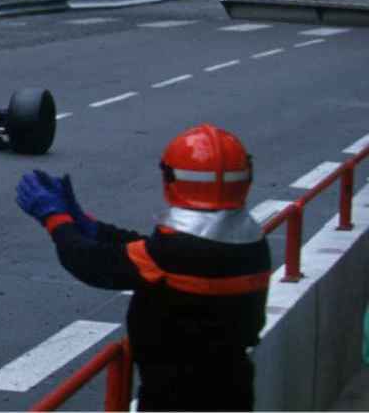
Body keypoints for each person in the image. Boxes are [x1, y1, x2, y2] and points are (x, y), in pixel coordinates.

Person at [16, 125, 270, 411]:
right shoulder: (249, 240)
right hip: (231, 391)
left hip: (176, 399)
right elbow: (145, 252)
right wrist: (89, 226)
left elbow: (91, 262)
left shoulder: (176, 252)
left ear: (171, 179)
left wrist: (56, 219)